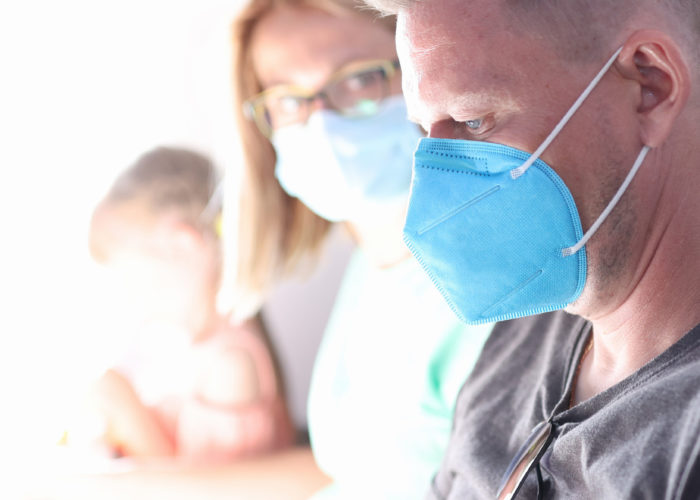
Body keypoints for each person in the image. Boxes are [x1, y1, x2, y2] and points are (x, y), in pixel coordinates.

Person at [359, 0, 700, 498]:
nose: (431, 190)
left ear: (650, 86)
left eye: (474, 122)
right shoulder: (530, 323)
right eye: (424, 132)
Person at [230, 0, 494, 497]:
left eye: (356, 79)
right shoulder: (372, 266)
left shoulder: (486, 283)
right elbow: (356, 474)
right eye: (289, 100)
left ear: (421, 69)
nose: (322, 122)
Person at [85, 146, 295, 462]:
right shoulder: (195, 352)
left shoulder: (231, 365)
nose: (125, 294)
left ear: (182, 245)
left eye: (126, 274)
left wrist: (126, 409)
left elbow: (202, 489)